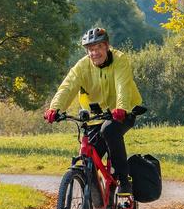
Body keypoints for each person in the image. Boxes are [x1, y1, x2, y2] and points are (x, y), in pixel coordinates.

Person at [44, 27, 143, 199]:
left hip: (122, 112)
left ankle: (123, 179)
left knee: (109, 131)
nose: (94, 53)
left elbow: (122, 86)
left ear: (106, 47)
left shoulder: (120, 60)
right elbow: (67, 87)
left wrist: (121, 107)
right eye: (90, 49)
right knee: (90, 156)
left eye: (98, 48)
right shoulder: (82, 66)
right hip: (95, 117)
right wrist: (55, 108)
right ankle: (94, 206)